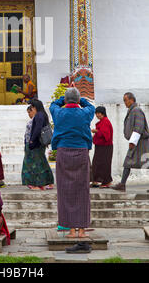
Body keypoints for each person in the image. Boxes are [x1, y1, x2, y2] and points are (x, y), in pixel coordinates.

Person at [50, 87, 95, 253]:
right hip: (81, 152)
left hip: (63, 152)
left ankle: (70, 230)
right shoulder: (84, 114)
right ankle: (82, 230)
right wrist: (79, 99)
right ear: (77, 101)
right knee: (82, 190)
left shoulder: (59, 113)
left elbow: (53, 104)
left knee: (65, 190)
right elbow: (90, 106)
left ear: (66, 100)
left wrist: (65, 99)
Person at [112, 92, 149, 192]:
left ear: (131, 100)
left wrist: (133, 141)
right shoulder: (132, 110)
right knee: (128, 162)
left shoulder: (136, 110)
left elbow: (139, 126)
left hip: (141, 142)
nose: (124, 102)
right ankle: (122, 184)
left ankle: (122, 184)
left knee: (145, 162)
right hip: (137, 142)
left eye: (125, 100)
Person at [24, 99, 54, 190]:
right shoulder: (42, 115)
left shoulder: (39, 116)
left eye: (32, 106)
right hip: (39, 143)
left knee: (35, 164)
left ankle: (38, 184)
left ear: (35, 107)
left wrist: (32, 140)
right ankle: (49, 182)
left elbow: (37, 129)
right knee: (42, 162)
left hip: (36, 143)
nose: (32, 108)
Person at [91, 106, 113, 188]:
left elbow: (106, 135)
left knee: (105, 164)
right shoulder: (102, 121)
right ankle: (96, 181)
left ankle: (107, 182)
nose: (97, 115)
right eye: (96, 113)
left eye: (99, 113)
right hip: (100, 146)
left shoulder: (106, 122)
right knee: (96, 163)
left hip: (106, 147)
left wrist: (96, 131)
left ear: (103, 113)